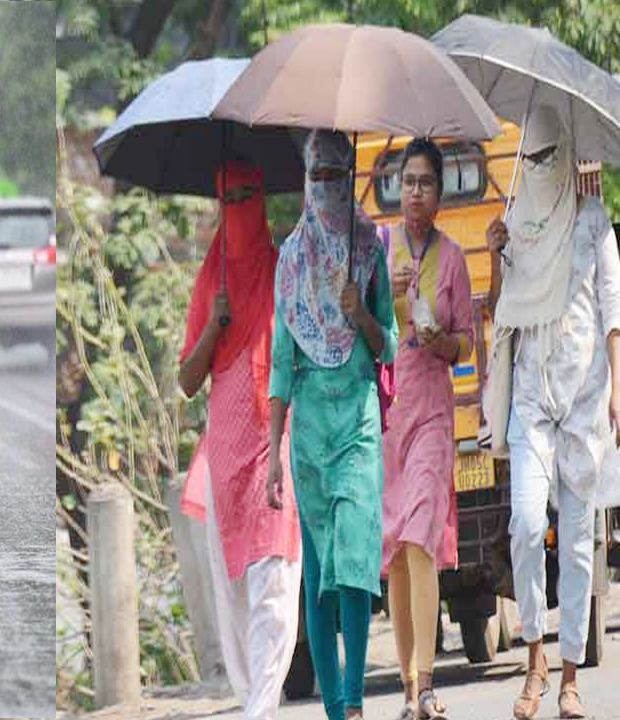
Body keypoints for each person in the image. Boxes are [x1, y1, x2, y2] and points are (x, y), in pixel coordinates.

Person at [486, 105, 620, 720]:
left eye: (550, 157)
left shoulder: (594, 223)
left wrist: (619, 392)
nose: (542, 167)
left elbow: (615, 313)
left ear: (567, 159)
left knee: (575, 546)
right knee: (523, 523)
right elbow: (500, 313)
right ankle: (534, 656)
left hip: (583, 404)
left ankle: (569, 677)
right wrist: (497, 255)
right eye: (533, 158)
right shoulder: (516, 225)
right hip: (530, 400)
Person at [268, 130, 398, 720]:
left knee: (353, 563)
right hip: (310, 432)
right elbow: (279, 364)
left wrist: (360, 313)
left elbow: (389, 344)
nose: (325, 187)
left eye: (335, 175)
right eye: (316, 175)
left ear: (351, 176)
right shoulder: (291, 259)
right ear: (305, 179)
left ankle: (353, 699)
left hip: (358, 425)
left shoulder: (370, 247)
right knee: (319, 573)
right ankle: (335, 712)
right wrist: (273, 454)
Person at [178, 160, 301, 720]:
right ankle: (258, 701)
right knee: (235, 593)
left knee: (274, 580)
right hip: (225, 458)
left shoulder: (283, 273)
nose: (242, 208)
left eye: (251, 195)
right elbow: (185, 380)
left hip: (274, 443)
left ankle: (259, 709)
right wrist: (213, 327)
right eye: (232, 198)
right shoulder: (211, 281)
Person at [379, 139, 474, 720]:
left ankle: (429, 683)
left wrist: (444, 342)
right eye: (407, 181)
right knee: (395, 551)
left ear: (440, 192)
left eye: (425, 182)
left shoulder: (455, 258)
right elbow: (363, 329)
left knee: (419, 536)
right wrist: (384, 300)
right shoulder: (379, 248)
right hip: (390, 411)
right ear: (397, 188)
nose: (415, 191)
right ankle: (408, 690)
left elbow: (466, 340)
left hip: (435, 410)